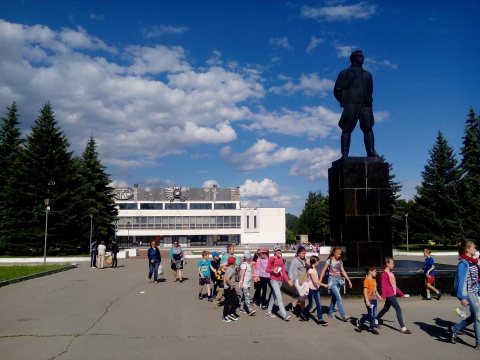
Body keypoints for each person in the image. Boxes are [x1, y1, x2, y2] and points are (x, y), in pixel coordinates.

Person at [333, 50, 377, 157]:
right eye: (359, 56)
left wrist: (368, 103)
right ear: (353, 58)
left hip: (365, 105)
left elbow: (370, 90)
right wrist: (346, 102)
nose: (362, 58)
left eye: (362, 56)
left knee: (368, 128)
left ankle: (370, 152)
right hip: (351, 104)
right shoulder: (345, 73)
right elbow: (337, 90)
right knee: (347, 129)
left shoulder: (368, 75)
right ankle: (345, 154)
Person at [449, 241, 480, 349]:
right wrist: (462, 297)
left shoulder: (474, 262)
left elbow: (475, 279)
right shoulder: (463, 263)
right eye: (473, 247)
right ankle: (478, 343)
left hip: (476, 292)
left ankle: (455, 329)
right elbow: (460, 281)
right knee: (478, 316)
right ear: (467, 249)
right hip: (468, 293)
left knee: (474, 316)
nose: (475, 249)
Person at [376, 257, 412, 334]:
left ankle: (375, 320)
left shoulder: (391, 273)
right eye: (392, 263)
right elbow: (383, 287)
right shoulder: (384, 275)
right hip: (389, 295)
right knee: (398, 309)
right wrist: (383, 296)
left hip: (391, 294)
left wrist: (402, 294)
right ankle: (403, 328)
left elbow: (394, 286)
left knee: (386, 309)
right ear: (387, 264)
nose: (394, 265)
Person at [319, 246, 352, 322]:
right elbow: (323, 270)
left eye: (340, 254)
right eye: (337, 254)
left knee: (334, 298)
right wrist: (320, 281)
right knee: (339, 298)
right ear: (334, 253)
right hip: (332, 281)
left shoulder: (340, 261)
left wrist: (349, 280)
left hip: (338, 281)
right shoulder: (329, 261)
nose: (339, 256)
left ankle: (330, 312)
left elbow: (343, 271)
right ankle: (343, 316)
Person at [266, 245, 294, 321]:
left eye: (280, 250)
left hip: (280, 280)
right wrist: (272, 270)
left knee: (273, 296)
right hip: (273, 280)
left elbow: (283, 272)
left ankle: (269, 311)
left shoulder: (281, 260)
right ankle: (284, 315)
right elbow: (267, 270)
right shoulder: (271, 259)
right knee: (279, 297)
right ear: (274, 252)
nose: (279, 252)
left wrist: (288, 281)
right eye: (277, 251)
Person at [301, 255, 328, 325]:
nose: (318, 261)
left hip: (316, 289)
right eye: (318, 260)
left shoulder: (314, 269)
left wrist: (319, 284)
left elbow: (316, 280)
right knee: (311, 304)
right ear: (315, 261)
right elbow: (315, 281)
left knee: (319, 304)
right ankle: (303, 313)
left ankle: (320, 319)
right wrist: (324, 285)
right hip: (311, 289)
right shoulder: (310, 270)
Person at [356, 266, 383, 334]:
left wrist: (379, 297)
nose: (376, 273)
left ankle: (371, 328)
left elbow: (375, 290)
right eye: (375, 271)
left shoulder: (374, 280)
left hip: (374, 300)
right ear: (370, 271)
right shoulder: (366, 280)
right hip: (369, 300)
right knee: (370, 315)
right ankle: (360, 321)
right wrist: (367, 301)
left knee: (374, 315)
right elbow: (365, 291)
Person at [288, 246, 308, 316]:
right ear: (298, 253)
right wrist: (291, 280)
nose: (303, 255)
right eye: (302, 253)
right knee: (302, 295)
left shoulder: (306, 259)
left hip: (305, 279)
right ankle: (303, 312)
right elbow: (291, 270)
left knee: (305, 294)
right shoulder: (295, 260)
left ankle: (295, 303)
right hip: (297, 280)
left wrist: (307, 263)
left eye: (304, 253)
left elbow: (310, 268)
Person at [222, 257, 240, 322]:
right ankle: (224, 316)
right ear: (233, 263)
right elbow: (227, 279)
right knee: (228, 302)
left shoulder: (228, 269)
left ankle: (231, 313)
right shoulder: (231, 270)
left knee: (236, 301)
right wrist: (231, 285)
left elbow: (224, 277)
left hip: (230, 288)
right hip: (229, 288)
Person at [239, 251, 256, 316]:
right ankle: (250, 310)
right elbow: (242, 274)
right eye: (250, 257)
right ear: (248, 258)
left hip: (248, 283)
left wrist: (254, 275)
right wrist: (241, 282)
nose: (251, 258)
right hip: (244, 283)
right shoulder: (244, 264)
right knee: (247, 296)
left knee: (244, 295)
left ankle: (241, 307)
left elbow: (248, 273)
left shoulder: (248, 265)